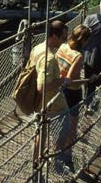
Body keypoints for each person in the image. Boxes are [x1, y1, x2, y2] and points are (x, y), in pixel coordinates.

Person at [30, 20, 70, 169]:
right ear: (54, 36)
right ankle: (55, 160)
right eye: (63, 37)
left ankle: (36, 161)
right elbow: (42, 86)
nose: (64, 41)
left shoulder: (37, 48)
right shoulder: (49, 58)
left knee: (41, 132)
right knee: (65, 126)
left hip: (39, 102)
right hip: (51, 103)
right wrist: (61, 81)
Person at [56, 24, 92, 171]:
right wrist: (89, 80)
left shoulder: (63, 47)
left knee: (60, 123)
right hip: (72, 92)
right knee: (71, 126)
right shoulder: (78, 56)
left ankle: (57, 151)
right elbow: (69, 80)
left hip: (59, 90)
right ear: (83, 40)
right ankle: (66, 154)